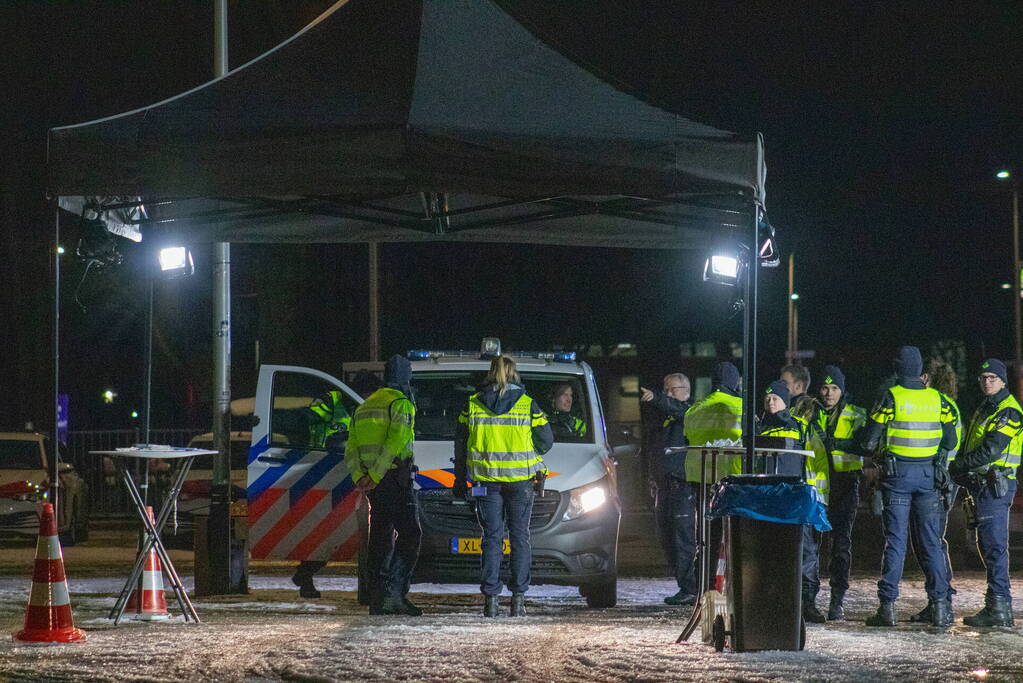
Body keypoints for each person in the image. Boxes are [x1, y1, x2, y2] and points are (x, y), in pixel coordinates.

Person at [860, 345, 958, 628]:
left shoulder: (890, 398)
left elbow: (869, 441)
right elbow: (950, 441)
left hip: (897, 479)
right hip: (928, 479)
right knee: (931, 543)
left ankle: (888, 608)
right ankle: (940, 607)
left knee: (896, 543)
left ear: (897, 368)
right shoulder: (939, 400)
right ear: (920, 371)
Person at [454, 355, 553, 617]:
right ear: (514, 374)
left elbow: (461, 444)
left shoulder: (472, 404)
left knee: (492, 538)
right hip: (520, 482)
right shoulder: (527, 404)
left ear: (490, 373)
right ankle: (518, 600)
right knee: (520, 536)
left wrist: (458, 479)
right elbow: (546, 441)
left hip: (485, 482)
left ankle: (491, 601)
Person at [344, 354, 422, 616]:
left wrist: (361, 478)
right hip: (393, 479)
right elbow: (394, 444)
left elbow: (351, 448)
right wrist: (376, 475)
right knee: (411, 534)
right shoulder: (401, 404)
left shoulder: (364, 407)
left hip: (373, 485)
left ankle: (377, 597)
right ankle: (394, 592)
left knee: (380, 537)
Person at [949, 358, 1023, 627]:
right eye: (983, 378)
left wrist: (957, 466)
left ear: (1003, 380)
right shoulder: (987, 408)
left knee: (993, 547)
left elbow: (990, 450)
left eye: (993, 377)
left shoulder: (1008, 411)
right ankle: (996, 605)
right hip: (983, 485)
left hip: (996, 485)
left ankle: (1000, 608)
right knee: (987, 545)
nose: (987, 381)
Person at [759, 380, 830, 624]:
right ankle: (774, 600)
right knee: (771, 553)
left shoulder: (801, 427)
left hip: (797, 497)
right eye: (767, 399)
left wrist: (818, 498)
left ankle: (807, 603)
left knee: (806, 552)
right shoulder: (758, 428)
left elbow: (818, 463)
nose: (770, 402)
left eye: (775, 398)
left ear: (785, 402)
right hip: (767, 499)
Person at [909, 359, 963, 624]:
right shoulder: (947, 404)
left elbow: (946, 445)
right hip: (941, 478)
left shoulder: (934, 403)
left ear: (927, 378)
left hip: (936, 479)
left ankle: (941, 600)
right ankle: (941, 597)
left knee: (929, 541)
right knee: (931, 540)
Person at [682, 362, 742, 596]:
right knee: (735, 537)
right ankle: (734, 589)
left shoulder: (695, 408)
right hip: (733, 481)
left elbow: (688, 437)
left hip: (701, 480)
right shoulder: (741, 406)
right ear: (734, 381)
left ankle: (704, 588)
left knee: (706, 538)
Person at [812, 365, 867, 621]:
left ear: (842, 390)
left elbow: (866, 443)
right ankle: (808, 598)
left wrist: (836, 444)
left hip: (846, 485)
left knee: (841, 545)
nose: (829, 393)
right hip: (816, 486)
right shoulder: (810, 413)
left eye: (834, 388)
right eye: (825, 387)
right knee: (812, 546)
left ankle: (837, 600)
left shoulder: (857, 414)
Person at [291, 389, 354, 598]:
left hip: (341, 472)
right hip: (319, 469)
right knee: (324, 531)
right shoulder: (333, 400)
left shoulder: (361, 407)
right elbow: (306, 418)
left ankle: (304, 575)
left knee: (329, 531)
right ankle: (305, 576)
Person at [639, 373, 695, 605]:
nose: (668, 394)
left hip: (682, 487)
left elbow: (676, 408)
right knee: (667, 539)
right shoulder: (664, 420)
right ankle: (685, 585)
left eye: (671, 390)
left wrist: (656, 398)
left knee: (683, 539)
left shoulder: (689, 413)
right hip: (664, 488)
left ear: (686, 391)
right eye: (665, 389)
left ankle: (691, 587)